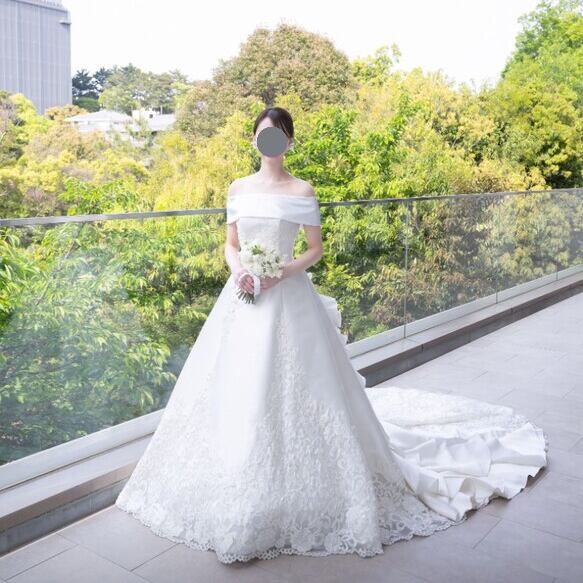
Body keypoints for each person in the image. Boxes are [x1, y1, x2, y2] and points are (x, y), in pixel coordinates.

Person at [115, 106, 548, 564]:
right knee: (236, 386)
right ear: (254, 140)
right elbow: (231, 243)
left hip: (287, 296)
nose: (270, 143)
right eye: (263, 135)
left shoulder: (302, 191)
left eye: (278, 136)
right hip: (242, 297)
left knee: (300, 388)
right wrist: (238, 270)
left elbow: (315, 249)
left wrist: (281, 272)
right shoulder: (237, 188)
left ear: (288, 142)